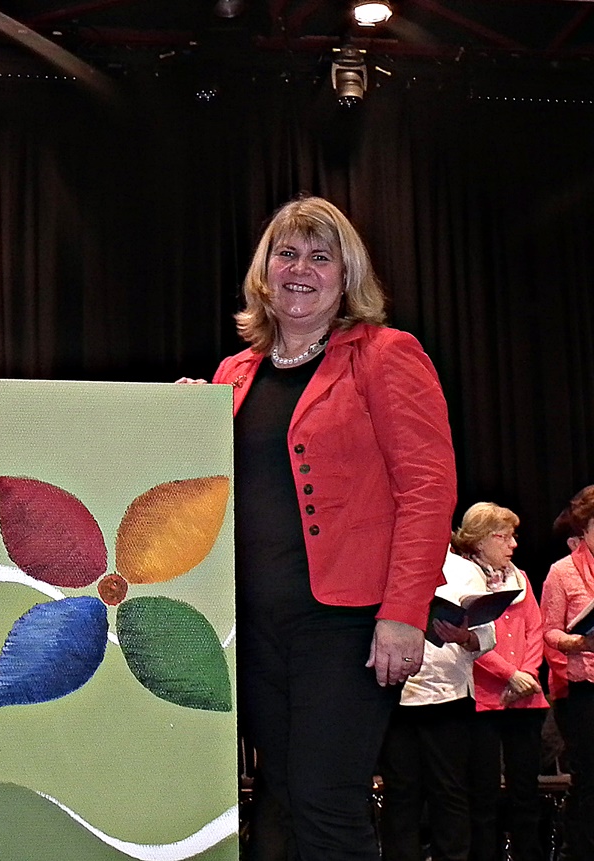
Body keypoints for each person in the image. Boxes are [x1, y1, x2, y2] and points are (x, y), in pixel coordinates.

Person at [180, 195, 457, 860]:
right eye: (287, 252)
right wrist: (183, 421)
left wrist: (404, 613)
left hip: (346, 624)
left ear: (346, 276)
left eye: (321, 255)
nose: (301, 267)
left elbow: (427, 487)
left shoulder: (386, 355)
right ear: (264, 271)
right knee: (279, 796)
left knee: (326, 804)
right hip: (252, 627)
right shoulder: (233, 375)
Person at [378, 544, 494, 861]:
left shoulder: (466, 570)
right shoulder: (389, 559)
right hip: (396, 694)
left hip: (449, 697)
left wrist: (463, 636)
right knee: (401, 792)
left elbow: (486, 635)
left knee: (450, 791)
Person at [451, 504, 548, 861]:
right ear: (478, 541)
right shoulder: (462, 577)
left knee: (526, 790)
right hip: (483, 699)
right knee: (484, 793)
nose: (512, 544)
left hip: (524, 697)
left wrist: (527, 675)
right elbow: (468, 638)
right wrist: (509, 674)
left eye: (512, 536)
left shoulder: (519, 577)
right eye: (502, 537)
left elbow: (534, 629)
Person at [541, 485, 594, 860]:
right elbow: (549, 630)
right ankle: (579, 852)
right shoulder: (561, 572)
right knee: (590, 779)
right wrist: (577, 643)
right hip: (582, 688)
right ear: (587, 527)